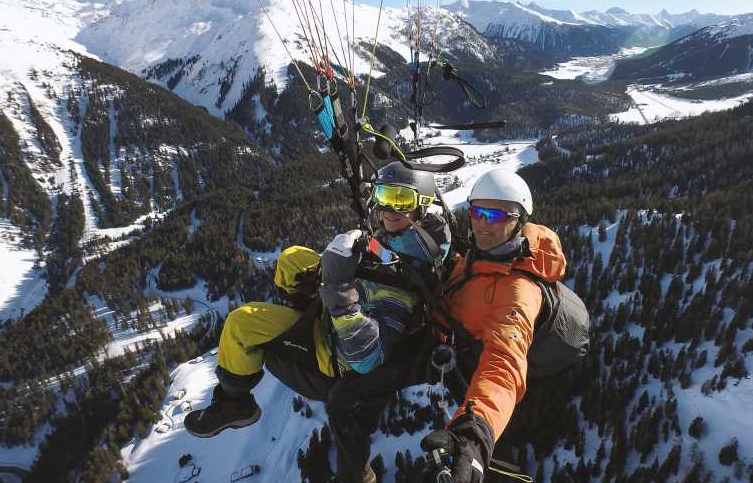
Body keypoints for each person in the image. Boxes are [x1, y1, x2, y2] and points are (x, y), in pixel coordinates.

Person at [184, 162, 451, 483]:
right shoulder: (419, 233)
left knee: (241, 324)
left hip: (336, 353)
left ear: (420, 205)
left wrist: (336, 289)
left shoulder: (399, 287)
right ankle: (307, 305)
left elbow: (366, 358)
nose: (390, 208)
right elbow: (385, 239)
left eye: (402, 200)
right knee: (292, 258)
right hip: (351, 297)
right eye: (385, 195)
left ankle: (234, 403)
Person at [419, 168, 567, 483]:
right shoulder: (479, 255)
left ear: (521, 220)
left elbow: (503, 364)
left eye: (497, 214)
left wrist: (472, 436)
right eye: (477, 211)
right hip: (464, 357)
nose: (483, 222)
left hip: (486, 389)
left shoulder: (519, 292)